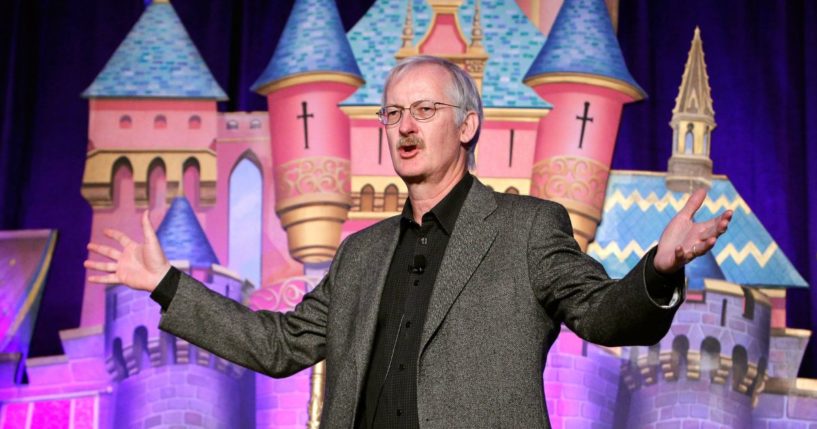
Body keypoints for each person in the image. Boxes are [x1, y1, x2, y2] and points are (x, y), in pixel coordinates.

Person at [85, 55, 732, 429]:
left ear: (469, 124)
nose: (403, 126)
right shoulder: (361, 253)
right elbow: (277, 346)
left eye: (423, 110)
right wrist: (167, 285)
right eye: (392, 112)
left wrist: (658, 267)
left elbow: (604, 314)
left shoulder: (526, 228)